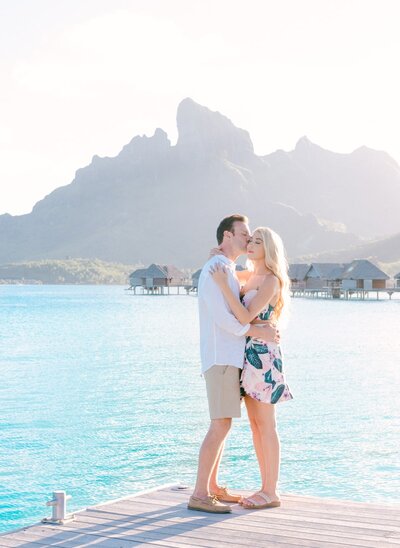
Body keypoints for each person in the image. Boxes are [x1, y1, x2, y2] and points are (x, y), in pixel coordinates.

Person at [188, 215, 280, 514]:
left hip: (245, 357)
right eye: (244, 235)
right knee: (221, 423)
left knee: (250, 424)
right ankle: (201, 493)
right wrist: (256, 330)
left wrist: (258, 331)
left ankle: (218, 488)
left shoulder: (230, 270)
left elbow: (239, 306)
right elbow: (224, 317)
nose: (248, 240)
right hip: (224, 356)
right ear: (228, 236)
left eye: (254, 238)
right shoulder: (217, 269)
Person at [210, 226, 293, 510]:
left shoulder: (270, 280)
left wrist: (223, 286)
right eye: (251, 240)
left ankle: (271, 491)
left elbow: (244, 315)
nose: (252, 244)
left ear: (269, 248)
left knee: (267, 425)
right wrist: (217, 256)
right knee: (256, 427)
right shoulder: (249, 275)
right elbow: (225, 266)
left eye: (258, 241)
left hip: (264, 357)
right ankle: (265, 487)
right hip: (248, 356)